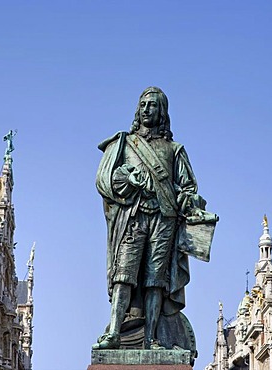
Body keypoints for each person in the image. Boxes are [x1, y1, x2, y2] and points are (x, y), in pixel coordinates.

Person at [94, 87, 205, 350]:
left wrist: (189, 202)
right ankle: (114, 333)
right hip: (133, 217)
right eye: (143, 104)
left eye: (153, 105)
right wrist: (128, 180)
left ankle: (151, 338)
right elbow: (105, 180)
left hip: (163, 219)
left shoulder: (175, 150)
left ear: (162, 111)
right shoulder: (124, 144)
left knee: (156, 280)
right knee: (124, 274)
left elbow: (189, 187)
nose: (146, 109)